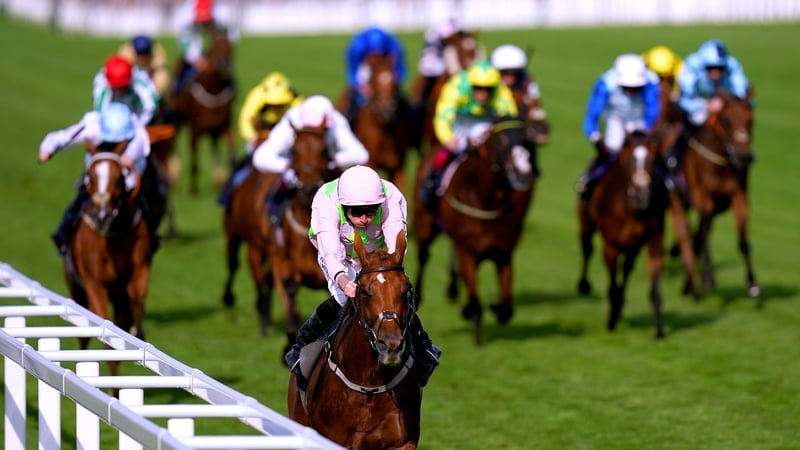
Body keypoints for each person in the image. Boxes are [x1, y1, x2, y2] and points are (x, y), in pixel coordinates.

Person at [285, 165, 441, 389]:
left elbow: (396, 244)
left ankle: (423, 346)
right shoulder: (326, 200)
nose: (365, 218)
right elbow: (331, 252)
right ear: (343, 205)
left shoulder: (391, 197)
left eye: (371, 211)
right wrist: (343, 280)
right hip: (341, 257)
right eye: (356, 212)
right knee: (343, 300)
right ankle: (301, 347)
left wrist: (387, 277)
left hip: (379, 259)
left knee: (392, 297)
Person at [38, 103, 160, 255]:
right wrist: (47, 149)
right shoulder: (92, 125)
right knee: (82, 194)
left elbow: (141, 143)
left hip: (127, 170)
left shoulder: (135, 126)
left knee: (141, 198)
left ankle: (152, 236)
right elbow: (66, 136)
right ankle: (63, 233)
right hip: (98, 171)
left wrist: (130, 156)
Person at [417, 60, 519, 211]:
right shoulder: (456, 86)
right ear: (471, 84)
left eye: (487, 89)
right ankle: (431, 180)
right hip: (460, 121)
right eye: (478, 88)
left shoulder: (500, 89)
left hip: (485, 121)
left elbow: (509, 115)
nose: (482, 93)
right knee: (449, 150)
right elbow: (443, 115)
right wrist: (448, 138)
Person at [248, 95, 369, 216]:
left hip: (325, 169)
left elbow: (361, 154)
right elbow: (260, 157)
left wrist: (333, 160)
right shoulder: (290, 123)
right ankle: (273, 217)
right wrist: (288, 165)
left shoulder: (337, 122)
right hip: (294, 171)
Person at [576, 53, 660, 198]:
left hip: (640, 119)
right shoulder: (605, 83)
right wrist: (594, 135)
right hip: (616, 119)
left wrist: (647, 128)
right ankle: (589, 179)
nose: (630, 91)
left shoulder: (651, 81)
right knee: (611, 150)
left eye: (634, 87)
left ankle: (667, 183)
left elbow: (653, 108)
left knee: (646, 153)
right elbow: (592, 113)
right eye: (626, 87)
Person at [216, 71, 303, 208]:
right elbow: (245, 119)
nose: (276, 107)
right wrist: (254, 137)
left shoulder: (296, 100)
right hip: (260, 133)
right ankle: (228, 194)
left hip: (285, 135)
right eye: (273, 103)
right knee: (244, 166)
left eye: (280, 104)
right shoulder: (256, 95)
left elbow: (301, 124)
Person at [666, 39, 751, 171]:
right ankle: (675, 153)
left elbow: (742, 95)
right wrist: (705, 107)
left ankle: (741, 151)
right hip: (697, 101)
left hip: (724, 102)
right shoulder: (692, 66)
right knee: (697, 118)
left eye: (720, 68)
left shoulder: (733, 66)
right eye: (711, 68)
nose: (716, 73)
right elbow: (684, 99)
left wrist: (724, 103)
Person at [490, 43, 549, 177]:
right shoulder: (487, 84)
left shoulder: (527, 82)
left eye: (514, 73)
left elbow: (535, 106)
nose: (510, 78)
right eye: (505, 73)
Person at [173, 0, 239, 96]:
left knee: (225, 73)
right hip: (194, 39)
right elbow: (185, 40)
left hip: (215, 38)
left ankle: (231, 92)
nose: (204, 22)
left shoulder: (222, 13)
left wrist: (222, 53)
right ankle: (176, 97)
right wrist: (197, 60)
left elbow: (231, 35)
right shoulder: (185, 15)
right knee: (183, 74)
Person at [342, 26, 407, 123]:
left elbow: (400, 70)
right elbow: (352, 72)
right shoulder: (357, 48)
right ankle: (348, 121)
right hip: (364, 71)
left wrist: (391, 84)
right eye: (374, 54)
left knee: (402, 101)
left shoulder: (394, 47)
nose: (376, 56)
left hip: (386, 71)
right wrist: (361, 87)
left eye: (379, 53)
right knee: (354, 100)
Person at [93, 55, 160, 126]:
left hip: (137, 110)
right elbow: (100, 111)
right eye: (117, 87)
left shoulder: (139, 78)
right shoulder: (101, 81)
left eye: (122, 87)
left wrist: (139, 126)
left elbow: (151, 107)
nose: (119, 91)